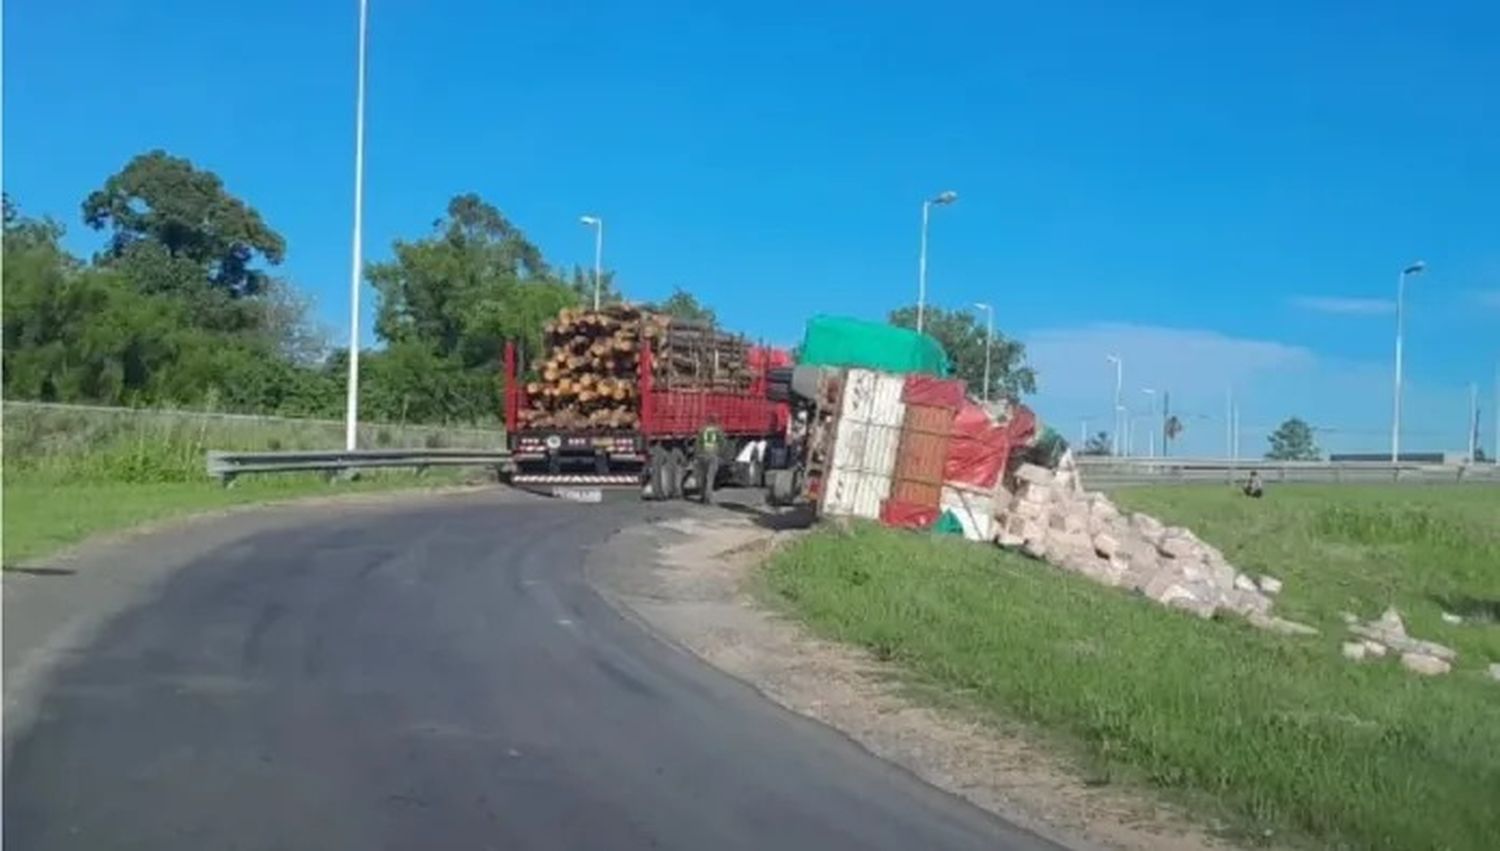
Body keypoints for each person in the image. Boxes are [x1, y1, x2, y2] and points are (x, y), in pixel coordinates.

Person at [696, 417, 726, 504]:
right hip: (712, 455)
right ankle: (708, 498)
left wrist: (698, 454)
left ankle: (702, 496)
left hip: (702, 456)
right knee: (710, 478)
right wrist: (719, 453)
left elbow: (698, 443)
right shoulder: (718, 430)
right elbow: (723, 443)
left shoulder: (702, 430)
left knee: (703, 478)